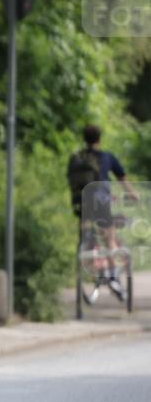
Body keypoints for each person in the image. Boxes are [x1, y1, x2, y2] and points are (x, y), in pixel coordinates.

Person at [67, 124, 139, 297]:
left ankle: (85, 253)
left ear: (84, 139)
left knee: (85, 232)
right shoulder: (106, 157)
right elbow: (122, 178)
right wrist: (133, 194)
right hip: (101, 202)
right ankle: (113, 276)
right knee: (110, 237)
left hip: (81, 202)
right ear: (99, 139)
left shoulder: (76, 158)